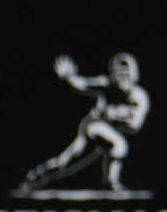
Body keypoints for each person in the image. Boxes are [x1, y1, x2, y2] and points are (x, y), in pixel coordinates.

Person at [19, 53, 149, 193]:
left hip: (108, 131)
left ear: (134, 74)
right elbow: (84, 84)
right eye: (117, 72)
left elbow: (135, 126)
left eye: (125, 73)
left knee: (67, 163)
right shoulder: (106, 84)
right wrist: (69, 77)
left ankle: (110, 181)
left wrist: (117, 115)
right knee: (117, 145)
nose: (121, 77)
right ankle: (33, 177)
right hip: (93, 126)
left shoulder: (140, 97)